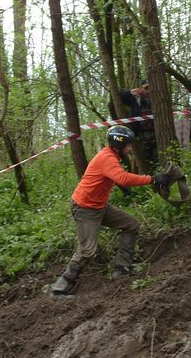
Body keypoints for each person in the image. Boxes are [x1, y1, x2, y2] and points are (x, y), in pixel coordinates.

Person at [50, 126, 171, 297]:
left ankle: (121, 269)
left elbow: (112, 176)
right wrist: (152, 179)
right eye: (128, 145)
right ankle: (60, 287)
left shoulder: (111, 156)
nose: (130, 149)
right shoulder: (107, 157)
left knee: (131, 224)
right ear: (119, 143)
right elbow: (122, 177)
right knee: (87, 251)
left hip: (99, 206)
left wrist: (120, 185)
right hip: (85, 208)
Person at [119, 80, 157, 165]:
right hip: (142, 132)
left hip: (156, 131)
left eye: (150, 87)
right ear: (142, 89)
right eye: (146, 88)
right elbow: (121, 98)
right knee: (145, 157)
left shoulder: (157, 98)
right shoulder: (137, 98)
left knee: (157, 155)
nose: (148, 90)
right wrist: (130, 92)